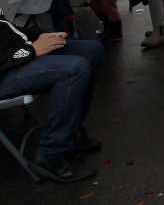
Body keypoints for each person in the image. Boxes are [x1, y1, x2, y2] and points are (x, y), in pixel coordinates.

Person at [0, 23, 103, 183]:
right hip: (4, 72)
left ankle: (71, 130)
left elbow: (8, 29)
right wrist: (31, 50)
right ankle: (51, 154)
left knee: (92, 50)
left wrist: (42, 36)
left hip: (13, 55)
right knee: (74, 68)